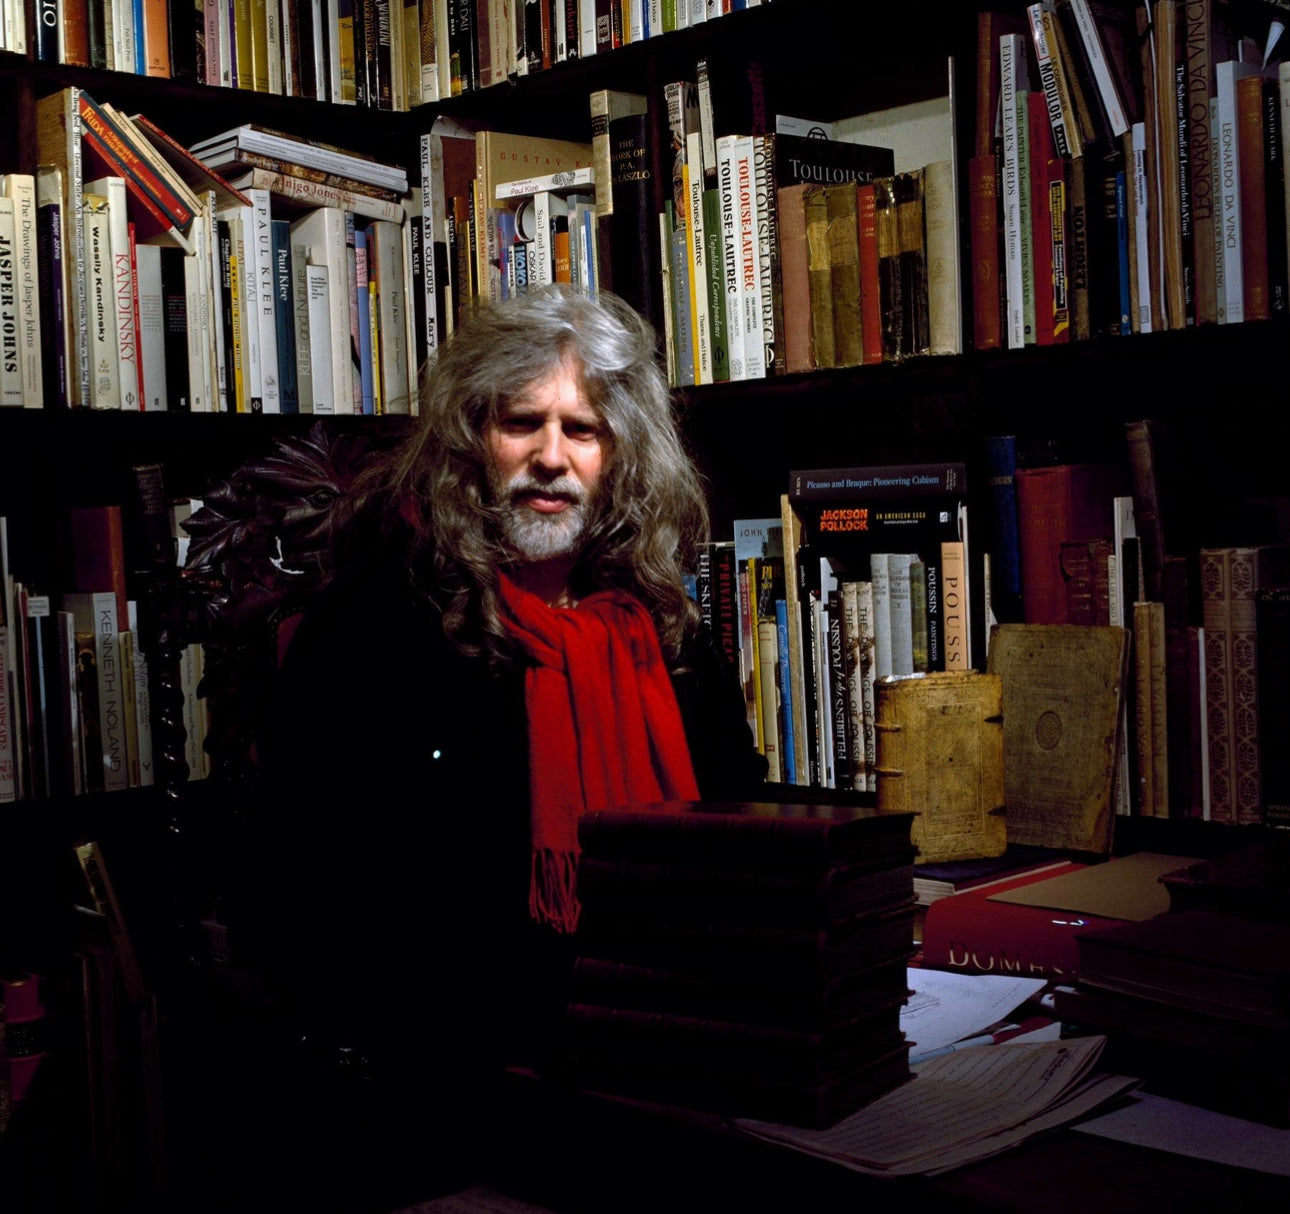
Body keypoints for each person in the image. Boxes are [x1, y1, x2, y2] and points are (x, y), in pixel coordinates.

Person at [244, 285, 765, 1207]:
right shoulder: (375, 626)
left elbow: (745, 831)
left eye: (585, 430)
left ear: (622, 457)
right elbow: (306, 895)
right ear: (470, 439)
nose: (552, 459)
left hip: (676, 1062)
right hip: (454, 1095)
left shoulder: (666, 632)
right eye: (523, 423)